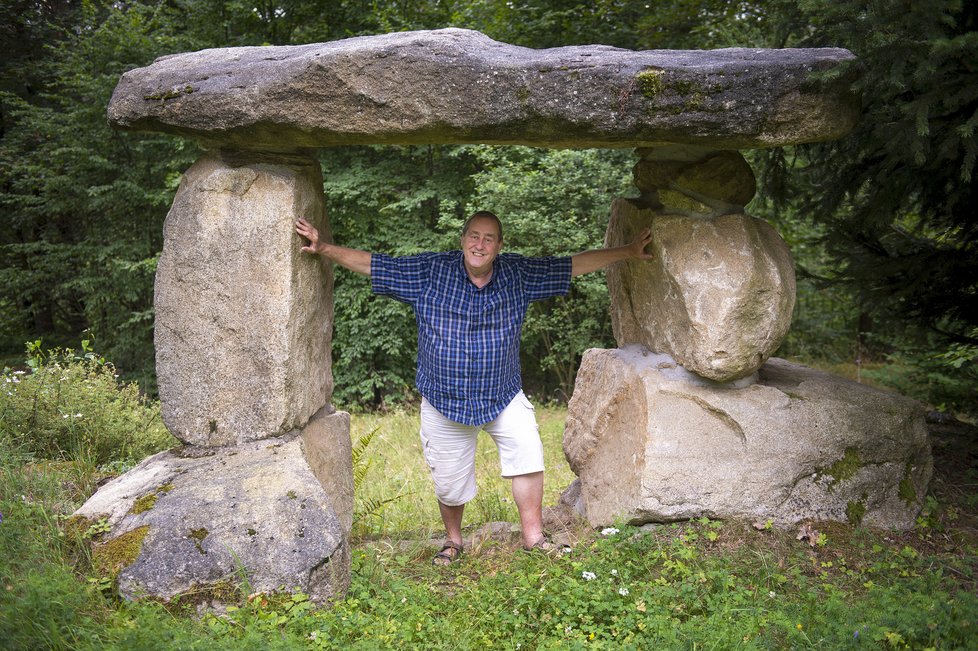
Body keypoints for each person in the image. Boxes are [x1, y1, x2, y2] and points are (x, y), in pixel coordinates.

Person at [295, 211, 652, 564]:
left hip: (502, 394)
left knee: (528, 456)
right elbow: (376, 265)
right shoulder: (430, 272)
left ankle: (533, 537)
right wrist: (323, 247)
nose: (479, 244)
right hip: (443, 398)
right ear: (462, 239)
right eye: (474, 236)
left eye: (489, 238)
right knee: (450, 483)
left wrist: (629, 251)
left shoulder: (518, 274)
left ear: (499, 245)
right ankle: (453, 541)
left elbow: (572, 265)